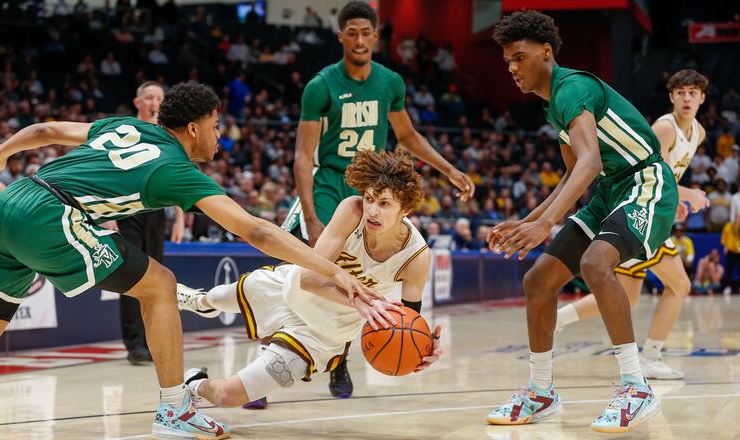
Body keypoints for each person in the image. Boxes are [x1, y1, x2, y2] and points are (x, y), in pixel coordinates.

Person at [0, 82, 377, 439]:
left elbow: (46, 129)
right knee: (160, 284)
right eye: (214, 126)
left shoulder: (126, 126)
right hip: (49, 214)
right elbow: (258, 231)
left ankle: (174, 408)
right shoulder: (177, 170)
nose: (218, 135)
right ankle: (175, 410)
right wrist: (333, 269)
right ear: (193, 128)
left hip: (10, 200)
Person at [486, 11, 677, 432]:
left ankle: (636, 386)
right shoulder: (555, 107)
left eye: (519, 57)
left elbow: (588, 162)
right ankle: (541, 393)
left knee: (594, 263)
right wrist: (530, 219)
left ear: (547, 52)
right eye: (507, 62)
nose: (513, 68)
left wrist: (544, 226)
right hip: (609, 193)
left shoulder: (571, 88)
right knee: (538, 282)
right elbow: (577, 177)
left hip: (644, 183)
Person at [281, 0, 473, 400]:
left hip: (372, 186)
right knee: (298, 272)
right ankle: (271, 351)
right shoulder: (321, 86)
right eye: (351, 32)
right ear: (341, 37)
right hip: (330, 182)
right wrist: (313, 215)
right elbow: (302, 155)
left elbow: (408, 137)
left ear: (376, 36)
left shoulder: (390, 83)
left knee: (360, 280)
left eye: (366, 32)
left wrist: (448, 169)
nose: (359, 39)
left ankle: (341, 359)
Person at [177, 150, 442, 408]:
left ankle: (192, 384)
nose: (372, 210)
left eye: (384, 204)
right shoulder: (352, 210)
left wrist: (424, 347)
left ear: (405, 209)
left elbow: (409, 321)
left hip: (320, 336)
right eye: (370, 198)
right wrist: (361, 302)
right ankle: (200, 302)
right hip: (288, 288)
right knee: (215, 298)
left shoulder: (416, 258)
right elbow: (308, 280)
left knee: (228, 397)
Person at [556, 69, 710, 380]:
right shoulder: (665, 128)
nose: (687, 97)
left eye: (693, 92)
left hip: (651, 204)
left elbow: (668, 180)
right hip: (637, 203)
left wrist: (674, 202)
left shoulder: (699, 132)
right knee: (679, 284)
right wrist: (688, 194)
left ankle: (557, 318)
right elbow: (653, 170)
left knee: (628, 294)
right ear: (671, 97)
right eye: (681, 92)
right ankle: (651, 356)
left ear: (702, 98)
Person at [109, 81, 187, 365]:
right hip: (126, 210)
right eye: (149, 97)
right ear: (138, 102)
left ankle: (152, 342)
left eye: (159, 98)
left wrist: (179, 217)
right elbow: (111, 173)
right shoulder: (125, 132)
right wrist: (109, 217)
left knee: (156, 281)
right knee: (132, 278)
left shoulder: (168, 136)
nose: (155, 102)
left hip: (156, 212)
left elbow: (178, 176)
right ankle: (134, 344)